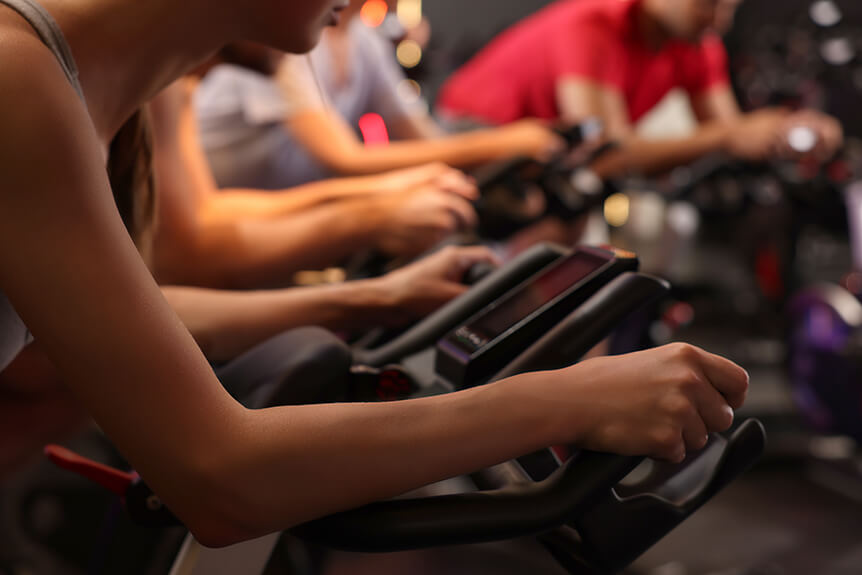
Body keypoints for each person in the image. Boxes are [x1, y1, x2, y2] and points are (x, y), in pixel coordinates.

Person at [0, 0, 748, 548]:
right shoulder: (18, 83)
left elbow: (114, 313)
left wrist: (369, 298)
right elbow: (222, 477)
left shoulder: (105, 89)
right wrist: (566, 400)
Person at [438, 0, 843, 178]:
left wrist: (788, 131)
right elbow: (605, 157)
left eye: (729, 9)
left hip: (549, 152)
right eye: (707, 4)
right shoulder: (594, 23)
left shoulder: (697, 41)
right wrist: (730, 135)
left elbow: (731, 136)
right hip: (471, 134)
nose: (717, 21)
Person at [151, 78, 479, 288]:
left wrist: (382, 193)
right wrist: (370, 218)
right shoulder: (158, 78)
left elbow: (210, 210)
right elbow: (183, 260)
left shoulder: (178, 81)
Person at [193, 9, 565, 189]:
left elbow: (426, 140)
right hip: (226, 214)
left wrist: (506, 155)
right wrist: (498, 143)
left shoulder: (364, 42)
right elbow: (343, 159)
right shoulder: (282, 38)